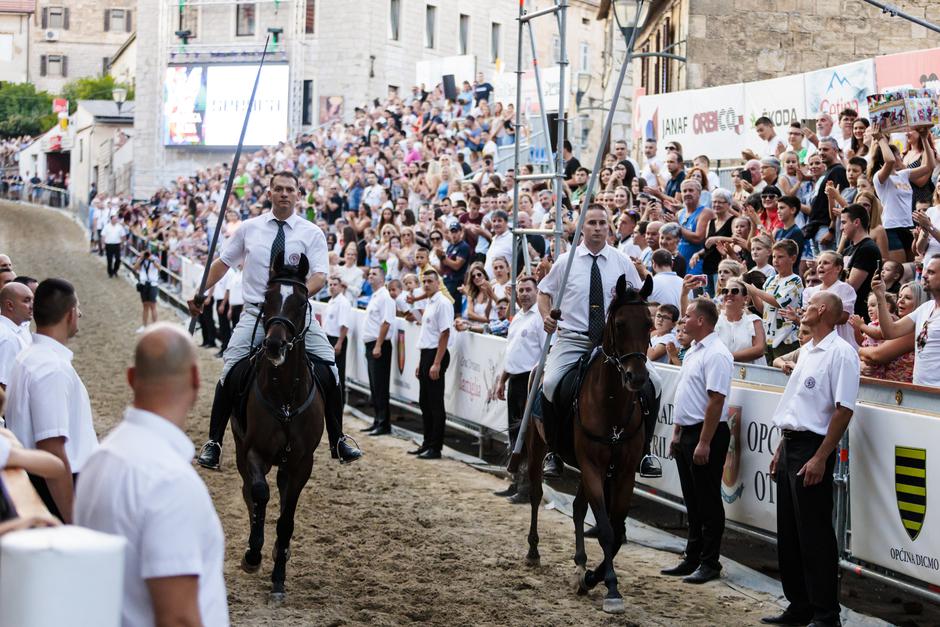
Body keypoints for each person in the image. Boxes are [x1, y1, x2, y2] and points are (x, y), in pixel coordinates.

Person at [191, 171, 361, 470]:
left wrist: (293, 302)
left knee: (329, 369)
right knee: (230, 370)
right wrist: (201, 290)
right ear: (269, 193)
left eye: (290, 189)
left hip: (296, 316)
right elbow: (224, 263)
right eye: (279, 189)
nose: (284, 194)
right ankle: (214, 442)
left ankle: (338, 438)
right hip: (257, 313)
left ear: (299, 194)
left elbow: (320, 275)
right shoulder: (249, 229)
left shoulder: (312, 233)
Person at [74, 324, 229, 627]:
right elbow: (178, 617)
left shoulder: (99, 457)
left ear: (131, 378)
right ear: (196, 379)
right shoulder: (170, 481)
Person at [763, 292, 858, 627]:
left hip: (813, 446)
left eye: (808, 305)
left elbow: (844, 408)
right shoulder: (808, 351)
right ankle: (799, 604)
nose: (802, 310)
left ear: (821, 310)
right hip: (792, 444)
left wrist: (820, 456)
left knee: (814, 533)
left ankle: (825, 613)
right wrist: (780, 448)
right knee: (788, 531)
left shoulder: (841, 353)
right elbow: (795, 405)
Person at [536, 204, 646, 477]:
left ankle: (645, 452)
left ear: (609, 227)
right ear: (581, 228)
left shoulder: (621, 261)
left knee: (652, 383)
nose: (597, 228)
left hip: (614, 346)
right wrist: (546, 317)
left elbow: (637, 298)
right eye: (592, 223)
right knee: (549, 384)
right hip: (574, 340)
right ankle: (553, 449)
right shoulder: (566, 261)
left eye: (602, 223)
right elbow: (543, 293)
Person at [5, 279, 98, 522]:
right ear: (70, 315)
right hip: (56, 487)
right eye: (77, 308)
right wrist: (71, 518)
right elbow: (52, 448)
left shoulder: (29, 357)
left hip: (40, 479)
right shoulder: (52, 368)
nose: (79, 313)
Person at [661, 298, 732, 585]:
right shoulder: (694, 350)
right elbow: (686, 394)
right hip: (689, 431)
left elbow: (716, 400)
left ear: (701, 320)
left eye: (687, 316)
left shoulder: (716, 353)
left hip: (707, 433)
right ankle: (693, 556)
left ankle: (709, 561)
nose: (683, 321)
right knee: (692, 499)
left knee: (708, 500)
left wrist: (704, 441)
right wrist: (678, 432)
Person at [492, 275, 545, 503]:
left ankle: (528, 487)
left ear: (536, 292)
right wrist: (502, 380)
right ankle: (516, 481)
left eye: (527, 290)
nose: (523, 294)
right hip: (514, 379)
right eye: (521, 290)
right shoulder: (518, 317)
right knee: (515, 433)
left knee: (529, 436)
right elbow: (511, 351)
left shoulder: (540, 318)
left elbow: (545, 353)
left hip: (530, 382)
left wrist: (537, 385)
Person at [872, 256, 940, 387]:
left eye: (931, 272)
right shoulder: (926, 308)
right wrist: (880, 297)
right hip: (918, 390)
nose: (924, 275)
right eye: (925, 271)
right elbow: (890, 332)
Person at [411, 269, 453, 459]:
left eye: (430, 281)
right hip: (427, 353)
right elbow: (427, 334)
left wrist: (436, 363)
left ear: (438, 283)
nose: (426, 284)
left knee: (435, 403)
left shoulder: (442, 303)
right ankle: (427, 442)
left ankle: (436, 447)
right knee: (424, 402)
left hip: (437, 353)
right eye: (424, 281)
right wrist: (422, 362)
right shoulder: (429, 302)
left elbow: (444, 333)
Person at [361, 266, 396, 436]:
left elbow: (386, 322)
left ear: (382, 279)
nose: (370, 276)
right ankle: (377, 420)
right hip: (371, 343)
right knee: (374, 386)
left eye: (374, 274)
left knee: (380, 385)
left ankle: (384, 423)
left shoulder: (385, 297)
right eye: (369, 274)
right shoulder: (375, 297)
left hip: (379, 344)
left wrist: (378, 345)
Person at [716, 278, 767, 365]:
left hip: (751, 375)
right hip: (723, 373)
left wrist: (726, 357)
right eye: (725, 291)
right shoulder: (715, 321)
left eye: (734, 291)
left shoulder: (754, 320)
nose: (729, 294)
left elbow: (759, 349)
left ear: (745, 298)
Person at [323, 276, 352, 407]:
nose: (332, 287)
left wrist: (339, 342)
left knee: (338, 371)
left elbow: (345, 325)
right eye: (330, 284)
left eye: (335, 284)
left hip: (337, 339)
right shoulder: (331, 300)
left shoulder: (343, 302)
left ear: (341, 287)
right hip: (328, 338)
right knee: (329, 370)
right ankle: (330, 399)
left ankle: (340, 402)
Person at [0, 282, 33, 391]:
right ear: (10, 305)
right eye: (26, 300)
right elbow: (4, 387)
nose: (32, 306)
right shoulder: (9, 338)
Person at [133, 250, 160, 333]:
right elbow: (135, 268)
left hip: (152, 285)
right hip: (143, 284)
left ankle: (155, 327)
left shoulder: (155, 259)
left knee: (153, 306)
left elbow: (159, 268)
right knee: (145, 306)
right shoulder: (141, 260)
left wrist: (152, 260)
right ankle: (144, 326)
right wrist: (140, 259)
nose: (146, 255)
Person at [101, 213, 126, 278]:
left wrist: (123, 244)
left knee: (118, 259)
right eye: (114, 219)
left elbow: (123, 236)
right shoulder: (106, 226)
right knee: (109, 260)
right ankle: (110, 272)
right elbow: (103, 235)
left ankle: (115, 270)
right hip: (108, 245)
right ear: (111, 219)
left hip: (117, 245)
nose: (115, 220)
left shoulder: (119, 227)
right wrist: (103, 244)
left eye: (116, 219)